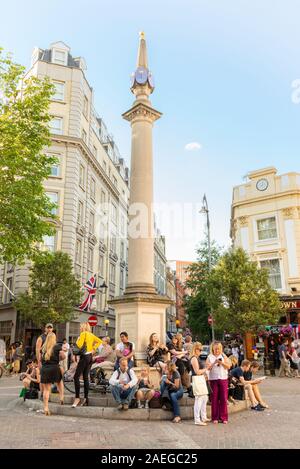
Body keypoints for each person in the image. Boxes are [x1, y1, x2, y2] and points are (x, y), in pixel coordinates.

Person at [72, 322, 102, 408]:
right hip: (90, 357)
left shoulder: (83, 334)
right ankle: (86, 398)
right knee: (85, 377)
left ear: (83, 327)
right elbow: (100, 341)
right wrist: (93, 349)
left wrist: (77, 341)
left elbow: (79, 346)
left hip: (84, 356)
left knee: (76, 377)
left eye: (81, 327)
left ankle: (77, 397)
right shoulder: (91, 334)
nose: (80, 328)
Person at [206, 341, 231, 424]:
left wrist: (222, 362)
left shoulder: (224, 356)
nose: (217, 350)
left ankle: (224, 417)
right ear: (212, 348)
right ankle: (215, 417)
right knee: (214, 398)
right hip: (213, 379)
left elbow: (228, 366)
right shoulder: (209, 356)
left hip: (223, 378)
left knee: (224, 398)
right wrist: (214, 363)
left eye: (218, 349)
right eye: (215, 349)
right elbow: (207, 368)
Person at [41, 332, 65, 415]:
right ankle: (61, 397)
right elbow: (63, 356)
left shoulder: (43, 348)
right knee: (59, 381)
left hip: (45, 369)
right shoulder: (57, 347)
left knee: (46, 390)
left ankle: (46, 408)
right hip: (54, 368)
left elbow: (42, 359)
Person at [190, 342, 210, 426]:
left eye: (201, 350)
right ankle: (197, 419)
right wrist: (206, 369)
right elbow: (197, 372)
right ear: (195, 349)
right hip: (197, 379)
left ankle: (203, 416)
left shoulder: (197, 358)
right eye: (199, 349)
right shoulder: (194, 358)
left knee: (204, 398)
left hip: (200, 379)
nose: (201, 351)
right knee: (199, 399)